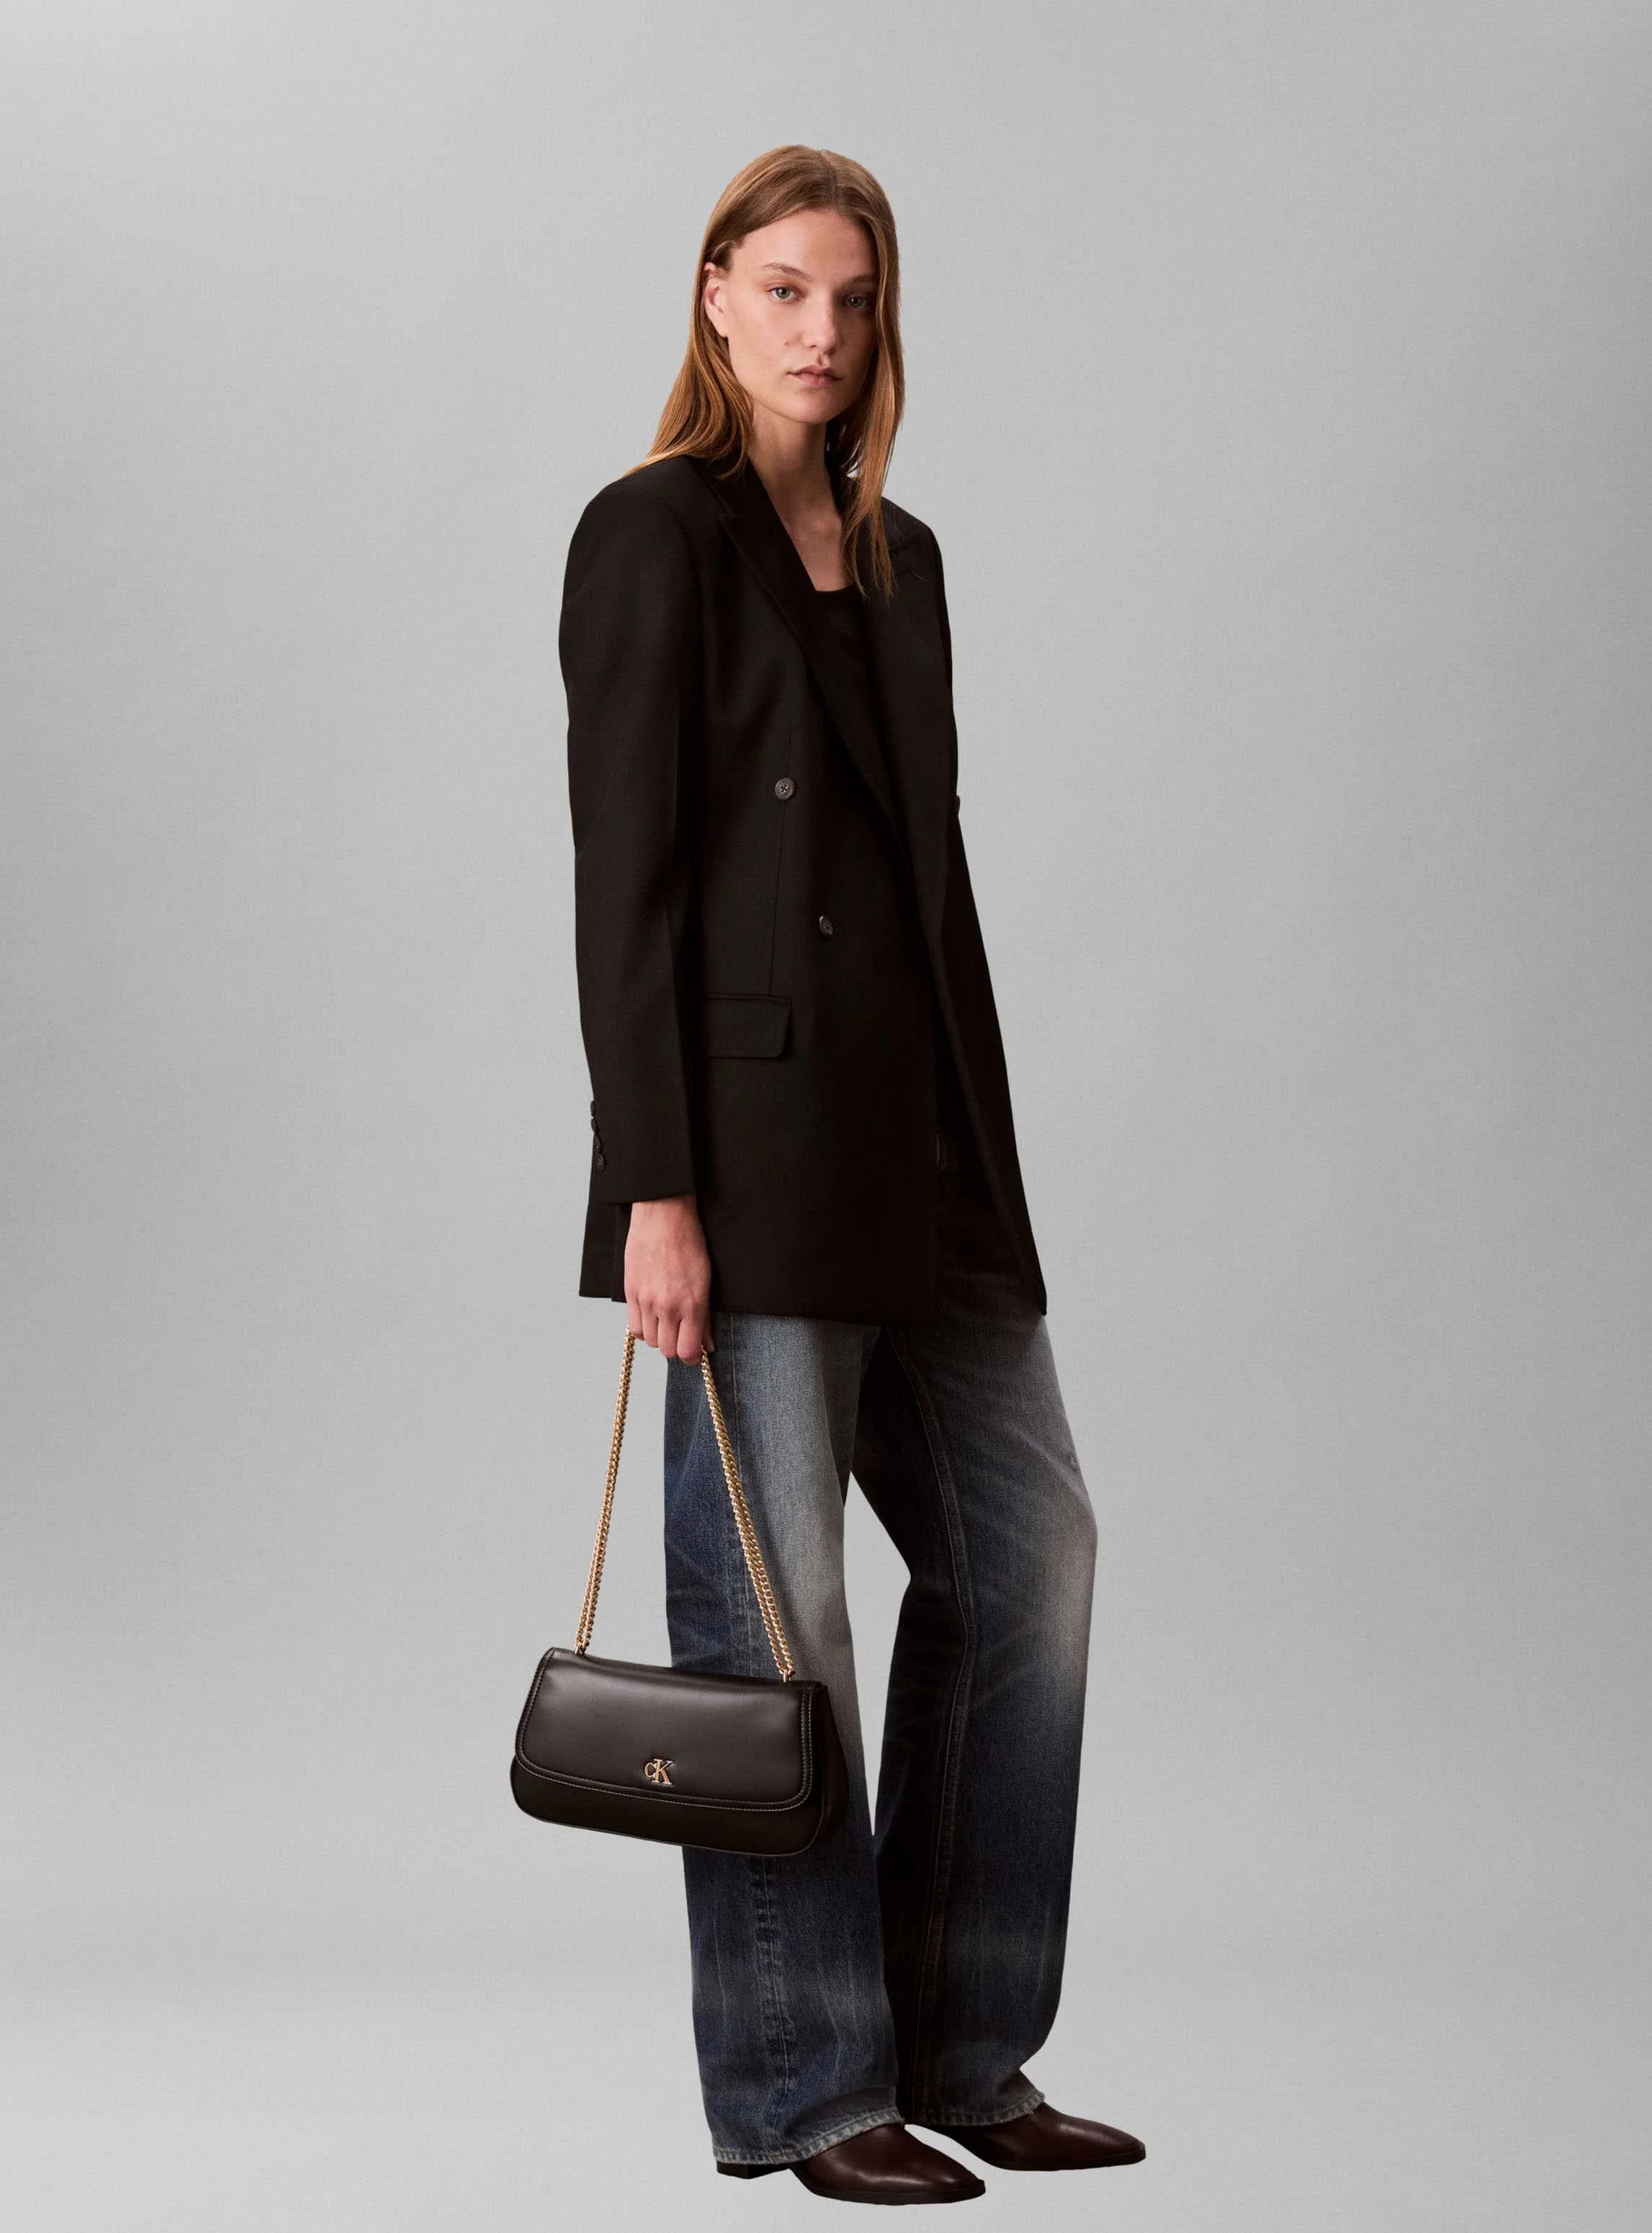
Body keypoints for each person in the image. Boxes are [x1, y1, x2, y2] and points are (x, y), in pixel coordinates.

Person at [558, 143, 1145, 2206]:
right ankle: (812, 2087)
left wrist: (987, 1145)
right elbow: (625, 882)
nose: (824, 330)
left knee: (1029, 1563)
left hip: (928, 1149)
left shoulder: (905, 558)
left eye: (856, 296)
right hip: (746, 1162)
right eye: (788, 287)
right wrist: (654, 1185)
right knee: (776, 1624)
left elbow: (928, 885)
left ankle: (969, 2044)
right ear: (716, 295)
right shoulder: (652, 533)